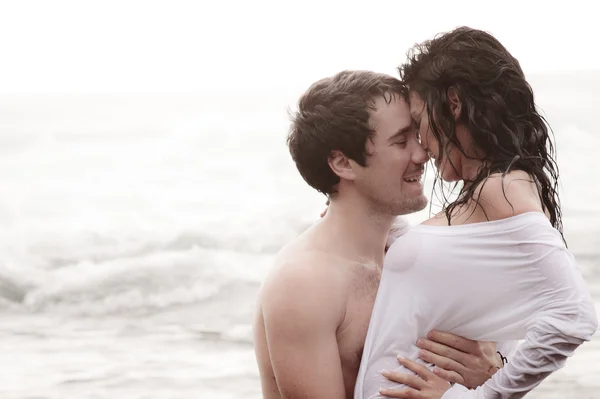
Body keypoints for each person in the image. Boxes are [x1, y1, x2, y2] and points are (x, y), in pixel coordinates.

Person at [354, 26, 598, 399]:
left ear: (454, 104)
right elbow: (463, 281)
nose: (422, 145)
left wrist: (484, 396)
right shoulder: (496, 191)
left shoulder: (500, 189)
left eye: (420, 122)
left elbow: (574, 316)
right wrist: (376, 222)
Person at [252, 70, 508, 399]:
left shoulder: (409, 255)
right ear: (343, 163)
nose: (423, 154)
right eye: (401, 141)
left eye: (417, 135)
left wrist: (490, 375)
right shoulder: (305, 283)